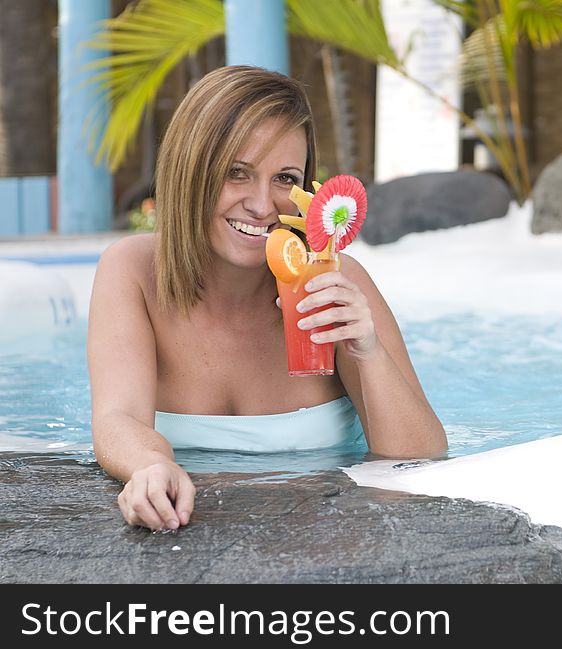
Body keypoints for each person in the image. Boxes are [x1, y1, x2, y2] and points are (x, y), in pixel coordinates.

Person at [87, 66, 447, 531]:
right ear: (190, 171)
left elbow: (420, 458)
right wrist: (149, 466)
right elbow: (117, 417)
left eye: (284, 178)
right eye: (237, 173)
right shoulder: (133, 270)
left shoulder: (333, 279)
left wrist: (367, 351)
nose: (262, 205)